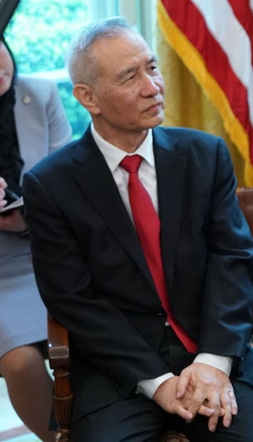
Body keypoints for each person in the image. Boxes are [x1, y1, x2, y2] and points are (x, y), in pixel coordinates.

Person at [22, 17, 253, 441]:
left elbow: (232, 263)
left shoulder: (205, 155)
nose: (152, 86)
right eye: (130, 77)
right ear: (88, 97)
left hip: (211, 354)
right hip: (118, 373)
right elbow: (72, 298)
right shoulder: (51, 186)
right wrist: (157, 382)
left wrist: (213, 363)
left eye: (152, 67)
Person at [0, 35, 71, 441]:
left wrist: (25, 218)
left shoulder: (40, 93)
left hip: (50, 248)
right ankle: (61, 439)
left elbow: (64, 181)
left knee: (93, 340)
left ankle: (104, 426)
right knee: (21, 363)